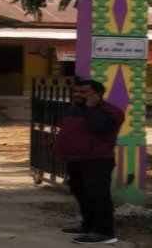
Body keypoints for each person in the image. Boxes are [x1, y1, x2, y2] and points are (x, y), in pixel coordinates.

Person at [53, 80, 125, 245]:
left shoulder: (111, 111)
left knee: (98, 196)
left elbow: (100, 128)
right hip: (75, 158)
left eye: (82, 92)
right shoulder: (73, 110)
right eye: (75, 91)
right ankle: (88, 226)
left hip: (97, 160)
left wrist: (92, 107)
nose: (76, 94)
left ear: (96, 95)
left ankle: (104, 232)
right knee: (81, 195)